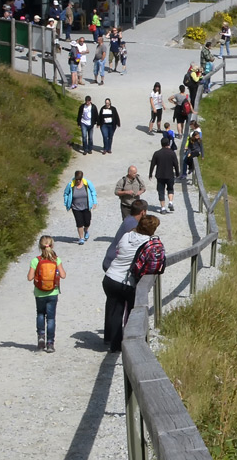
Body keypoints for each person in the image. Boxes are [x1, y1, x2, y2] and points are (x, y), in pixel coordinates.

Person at [101, 213, 166, 352]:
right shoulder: (149, 244)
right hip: (128, 282)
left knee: (115, 312)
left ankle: (115, 345)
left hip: (110, 277)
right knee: (132, 313)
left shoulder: (127, 235)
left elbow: (118, 251)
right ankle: (132, 344)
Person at [27, 235, 67, 352]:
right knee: (51, 318)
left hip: (39, 293)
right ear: (52, 245)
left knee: (40, 314)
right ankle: (50, 343)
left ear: (40, 246)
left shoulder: (36, 260)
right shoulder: (56, 260)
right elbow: (63, 275)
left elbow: (30, 277)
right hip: (53, 292)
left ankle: (41, 336)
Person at [150, 137, 180, 214]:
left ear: (161, 144)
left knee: (161, 191)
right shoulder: (172, 153)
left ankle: (163, 208)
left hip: (160, 175)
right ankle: (170, 202)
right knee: (170, 189)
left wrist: (150, 173)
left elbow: (152, 164)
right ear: (168, 144)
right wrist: (177, 173)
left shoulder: (157, 153)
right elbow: (176, 164)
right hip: (169, 175)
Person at [64, 170, 96, 242]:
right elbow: (66, 193)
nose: (78, 181)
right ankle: (81, 238)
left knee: (87, 222)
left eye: (79, 179)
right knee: (79, 223)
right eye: (76, 179)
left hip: (86, 206)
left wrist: (94, 202)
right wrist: (66, 203)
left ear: (82, 178)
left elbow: (93, 192)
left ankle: (86, 230)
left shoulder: (87, 183)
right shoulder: (70, 185)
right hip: (76, 207)